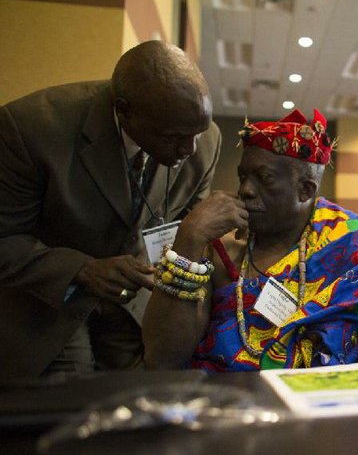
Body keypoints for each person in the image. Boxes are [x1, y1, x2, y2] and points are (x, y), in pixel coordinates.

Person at [142, 108, 358, 371]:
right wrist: (189, 237)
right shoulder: (220, 250)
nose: (245, 190)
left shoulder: (356, 240)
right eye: (243, 176)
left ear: (306, 189)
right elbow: (163, 358)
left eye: (264, 179)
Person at [0, 41, 221, 378]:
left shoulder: (204, 140)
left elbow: (180, 228)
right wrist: (82, 270)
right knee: (71, 411)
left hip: (134, 312)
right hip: (48, 309)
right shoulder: (30, 129)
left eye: (196, 134)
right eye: (174, 136)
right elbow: (5, 237)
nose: (189, 149)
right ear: (124, 110)